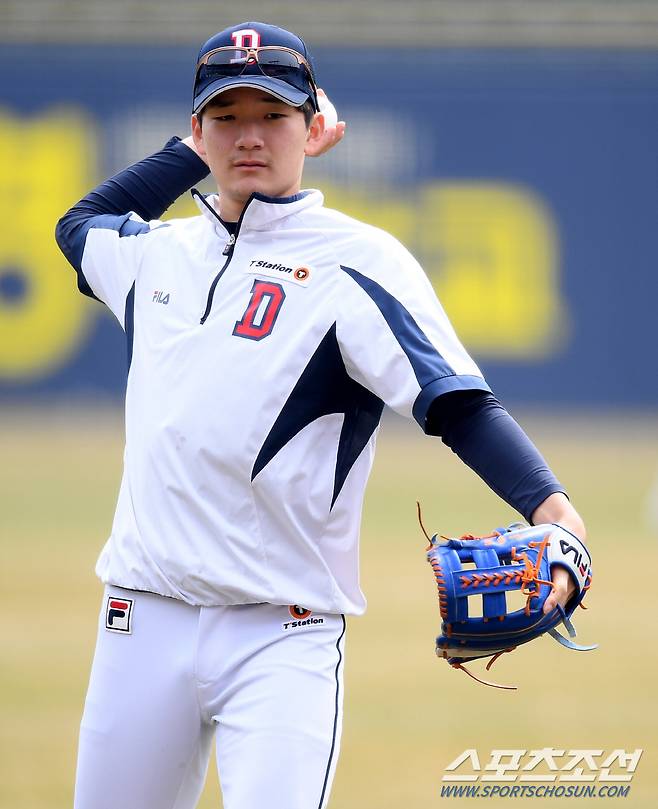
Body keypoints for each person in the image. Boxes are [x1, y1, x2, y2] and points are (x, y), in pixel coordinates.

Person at [56, 20, 587, 809]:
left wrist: (555, 509)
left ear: (314, 125)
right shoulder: (153, 256)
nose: (250, 137)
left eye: (273, 115)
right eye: (226, 117)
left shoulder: (358, 261)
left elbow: (458, 404)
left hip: (282, 637)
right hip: (141, 618)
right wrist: (183, 154)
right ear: (196, 130)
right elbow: (79, 227)